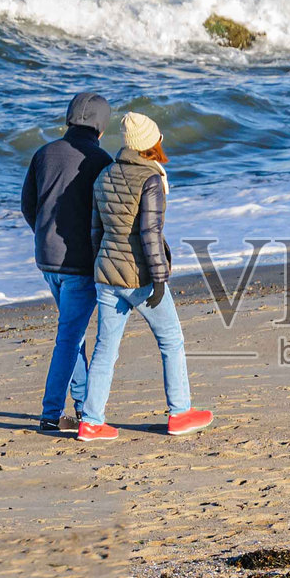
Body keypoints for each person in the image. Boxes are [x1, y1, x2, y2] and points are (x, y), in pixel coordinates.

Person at [76, 111, 213, 441]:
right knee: (171, 340)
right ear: (150, 143)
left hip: (106, 273)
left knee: (105, 350)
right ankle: (180, 413)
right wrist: (160, 279)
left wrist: (101, 267)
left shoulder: (105, 175)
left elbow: (97, 230)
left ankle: (91, 421)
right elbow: (150, 233)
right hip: (140, 277)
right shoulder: (151, 179)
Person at [20, 91, 113, 432]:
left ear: (69, 119)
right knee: (69, 338)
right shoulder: (101, 161)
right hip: (80, 263)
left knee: (72, 333)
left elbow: (28, 205)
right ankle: (50, 412)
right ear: (101, 127)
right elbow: (107, 216)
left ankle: (81, 402)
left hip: (46, 259)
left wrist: (43, 236)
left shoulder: (43, 154)